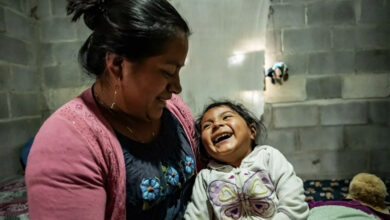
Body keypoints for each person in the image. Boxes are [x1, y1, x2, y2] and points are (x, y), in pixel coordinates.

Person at [25, 0, 198, 219]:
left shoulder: (176, 111)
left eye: (179, 70)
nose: (177, 87)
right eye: (167, 72)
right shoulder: (66, 145)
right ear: (117, 65)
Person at [184, 101, 309, 219]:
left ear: (252, 131)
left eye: (226, 117)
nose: (217, 125)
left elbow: (293, 204)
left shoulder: (269, 157)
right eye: (207, 125)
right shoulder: (205, 178)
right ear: (205, 149)